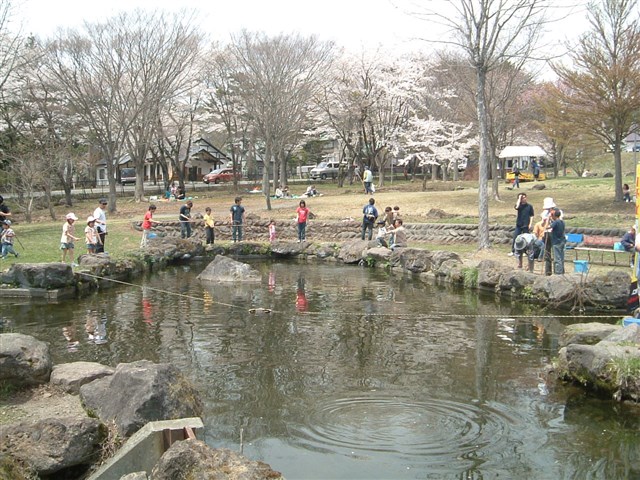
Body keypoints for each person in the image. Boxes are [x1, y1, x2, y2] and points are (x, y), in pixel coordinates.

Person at [548, 208, 566, 274]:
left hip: (556, 242)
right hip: (562, 241)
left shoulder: (556, 222)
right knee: (561, 257)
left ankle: (558, 273)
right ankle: (562, 271)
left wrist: (549, 219)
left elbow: (549, 227)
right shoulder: (562, 222)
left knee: (557, 258)